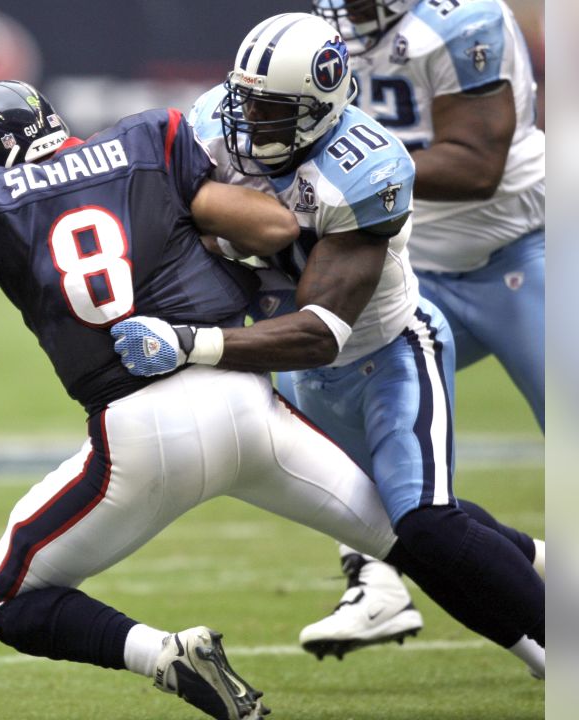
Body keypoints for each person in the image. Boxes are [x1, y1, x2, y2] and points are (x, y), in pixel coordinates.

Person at [0, 79, 513, 720]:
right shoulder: (150, 141)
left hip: (140, 434)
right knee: (433, 543)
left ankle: (163, 655)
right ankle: (556, 640)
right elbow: (273, 230)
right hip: (250, 406)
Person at [109, 13, 543, 677]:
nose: (249, 122)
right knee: (407, 533)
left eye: (272, 110)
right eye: (244, 101)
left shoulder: (368, 169)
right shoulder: (207, 128)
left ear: (318, 111)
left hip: (390, 356)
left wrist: (189, 342)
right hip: (305, 379)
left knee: (425, 527)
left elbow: (318, 331)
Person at [290, 0, 546, 658]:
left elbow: (475, 163)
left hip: (525, 254)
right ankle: (377, 581)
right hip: (416, 270)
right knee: (320, 392)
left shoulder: (463, 21)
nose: (347, 11)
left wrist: (345, 179)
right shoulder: (320, 35)